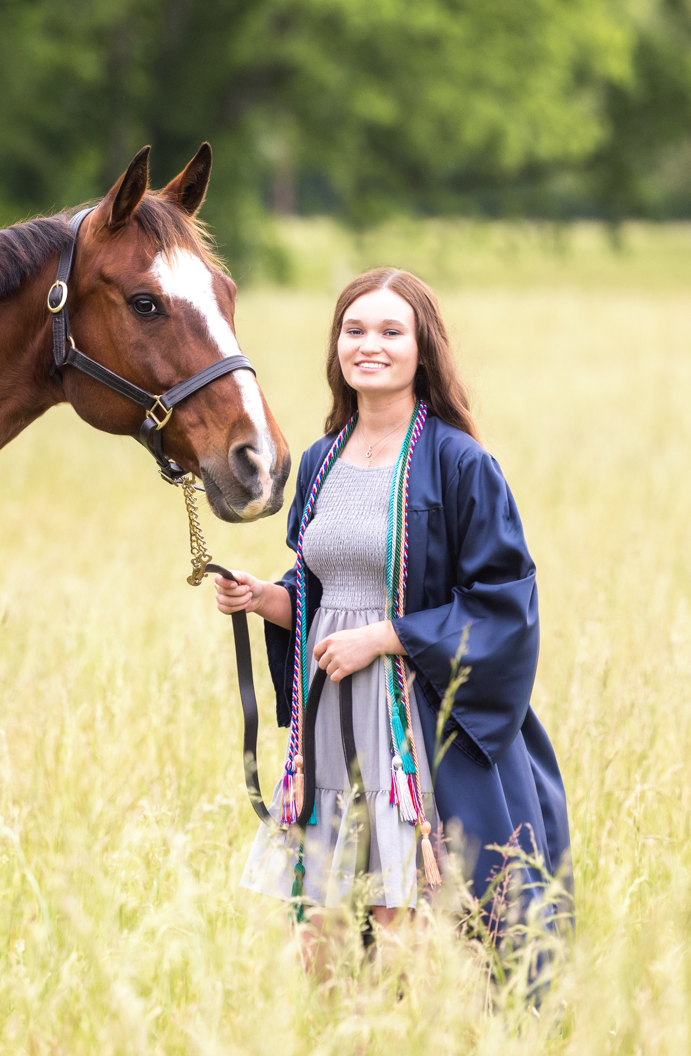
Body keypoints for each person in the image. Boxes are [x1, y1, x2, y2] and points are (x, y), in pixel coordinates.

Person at [212, 268, 571, 963]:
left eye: (389, 330)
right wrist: (264, 597)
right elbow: (319, 589)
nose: (368, 344)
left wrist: (383, 638)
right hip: (331, 718)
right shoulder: (318, 461)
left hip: (408, 720)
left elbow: (504, 605)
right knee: (317, 924)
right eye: (354, 329)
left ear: (421, 349)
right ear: (336, 347)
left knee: (400, 915)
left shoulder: (459, 465)